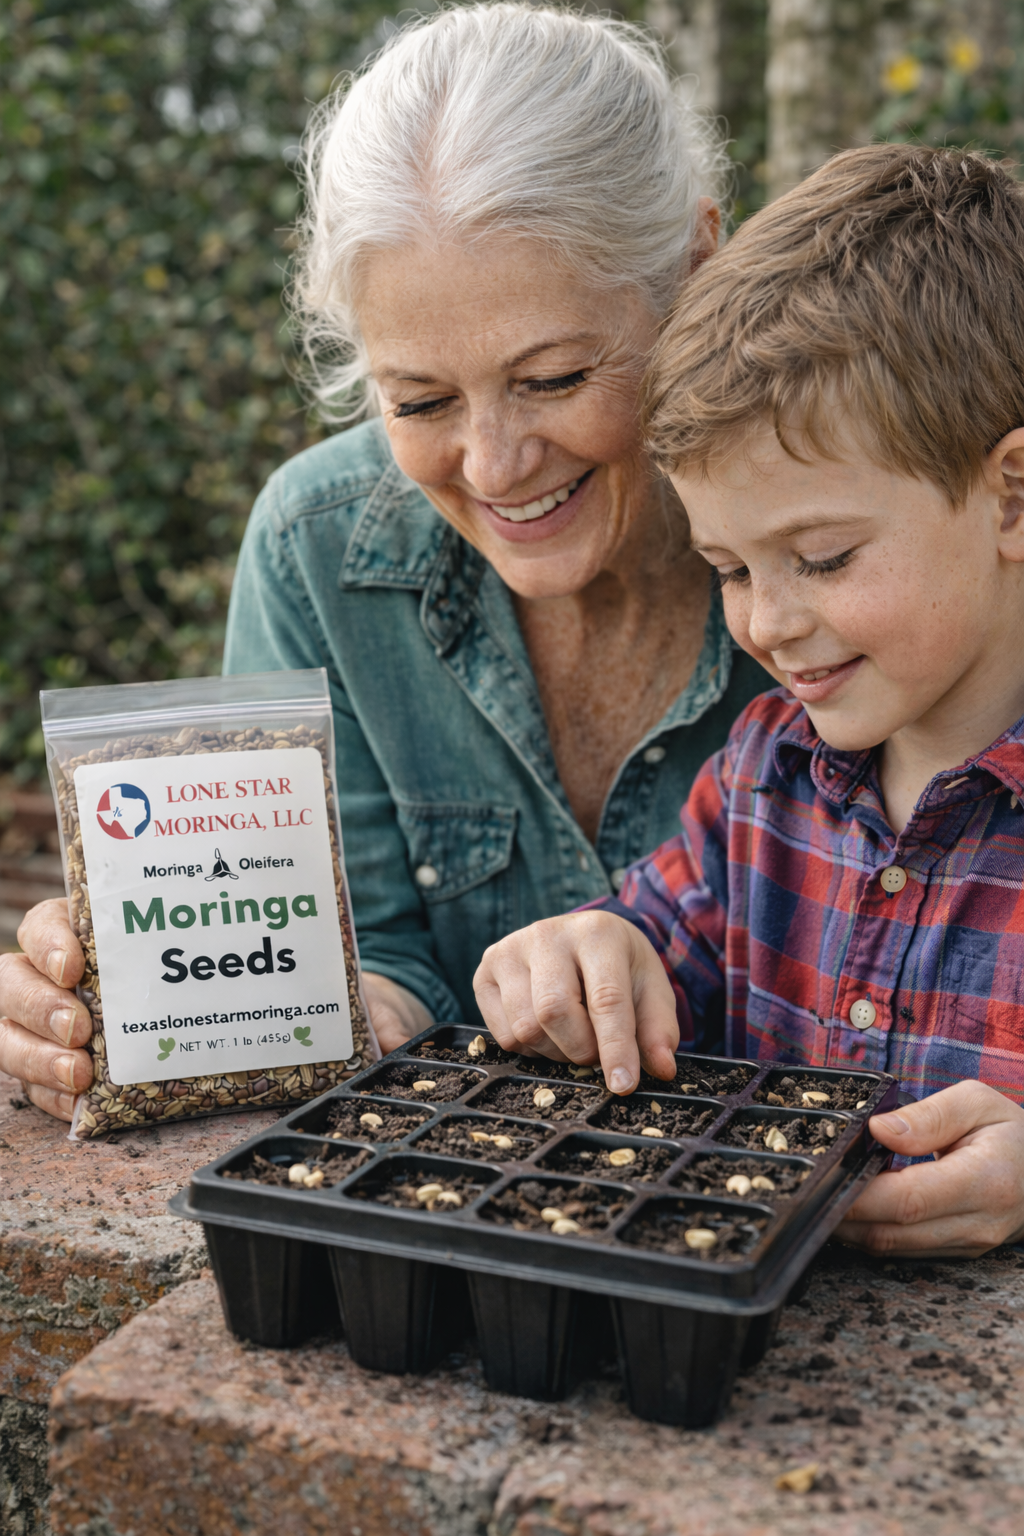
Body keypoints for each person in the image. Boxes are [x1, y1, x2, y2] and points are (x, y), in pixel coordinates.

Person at [1, 4, 771, 1121]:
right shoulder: (317, 548)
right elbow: (369, 970)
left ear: (697, 265)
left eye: (553, 379)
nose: (494, 464)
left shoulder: (845, 536)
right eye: (420, 401)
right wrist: (171, 1005)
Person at [473, 143, 1024, 1257]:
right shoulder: (761, 776)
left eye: (821, 558)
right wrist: (584, 956)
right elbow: (649, 948)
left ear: (1010, 496)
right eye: (728, 569)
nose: (767, 624)